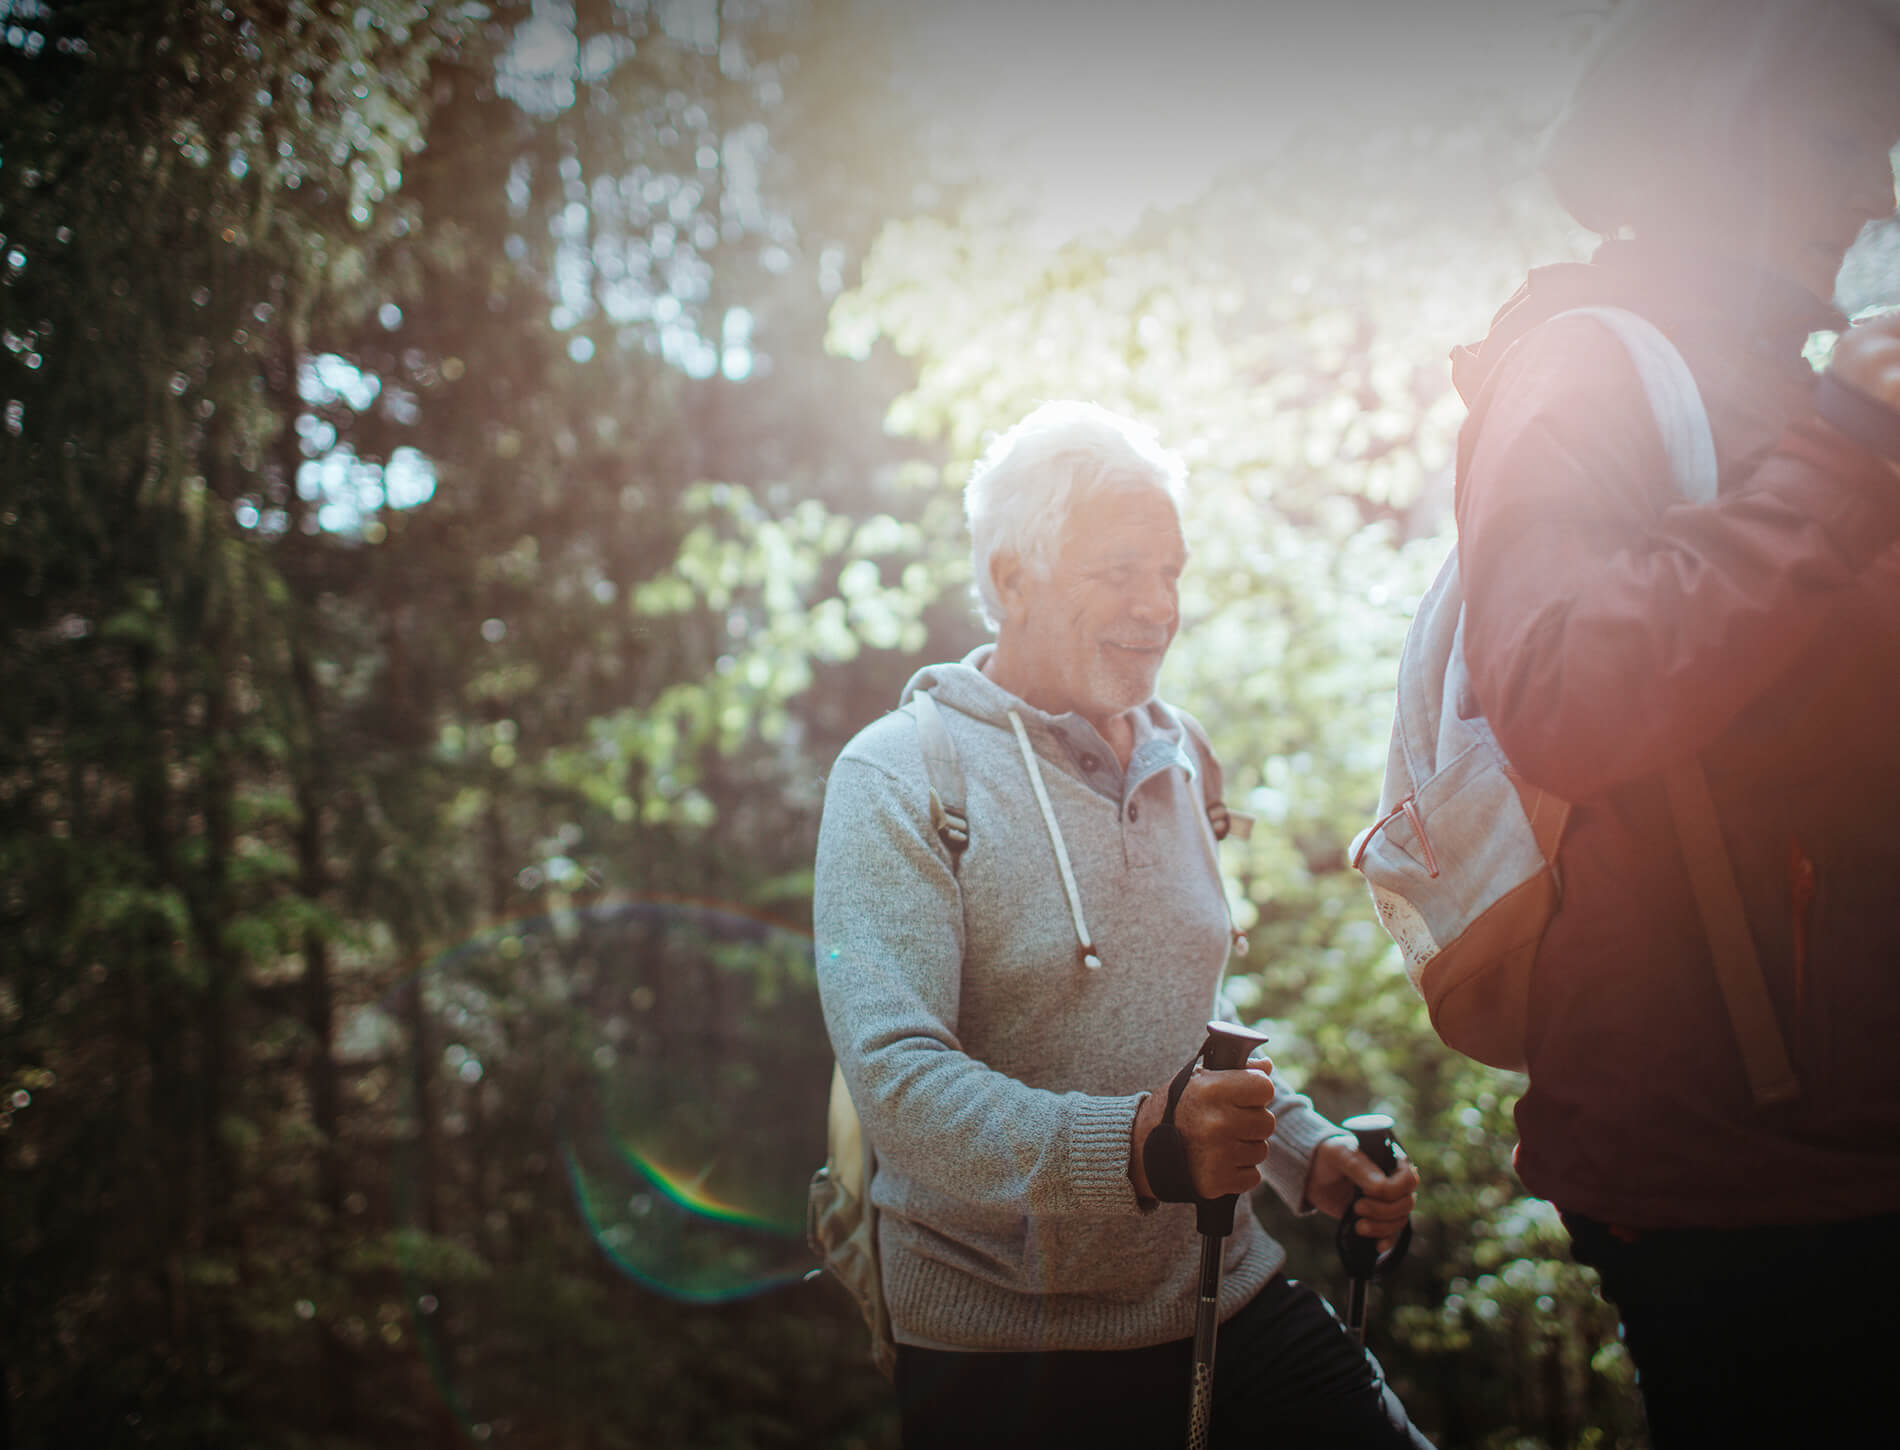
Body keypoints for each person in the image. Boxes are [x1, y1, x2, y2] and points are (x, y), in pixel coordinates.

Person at [1448, 1, 1900, 1444]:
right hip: (1739, 1172)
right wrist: (1842, 459)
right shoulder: (1584, 365)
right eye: (1837, 143)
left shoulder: (1811, 391)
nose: (1875, 192)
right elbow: (1563, 689)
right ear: (1713, 144)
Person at [813, 399, 1432, 1449]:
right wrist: (1140, 1147)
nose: (1158, 606)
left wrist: (1300, 1155)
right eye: (1118, 571)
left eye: (1171, 571)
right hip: (1003, 1350)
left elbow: (1190, 1012)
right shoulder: (899, 773)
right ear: (1012, 578)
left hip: (1222, 1286)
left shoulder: (1179, 753)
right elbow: (901, 1087)